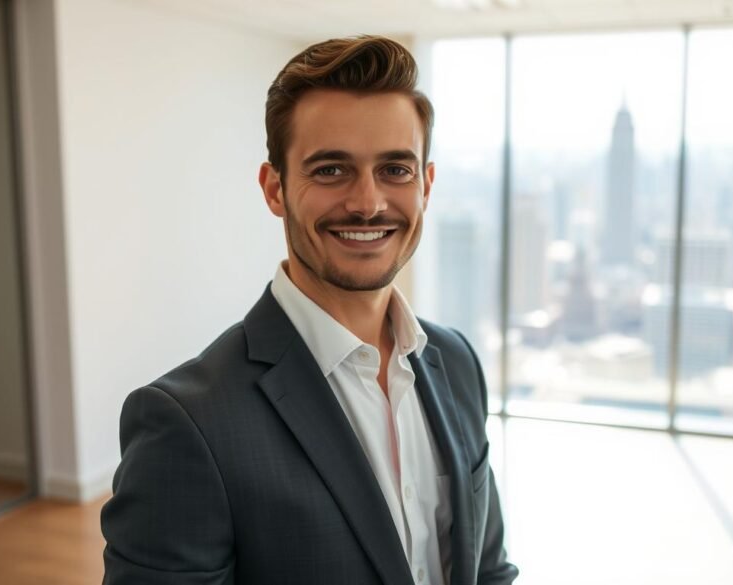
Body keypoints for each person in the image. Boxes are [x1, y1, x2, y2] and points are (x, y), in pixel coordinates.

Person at [100, 35, 518, 585]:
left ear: (427, 184)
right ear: (275, 189)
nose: (368, 203)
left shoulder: (456, 362)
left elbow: (487, 569)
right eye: (330, 170)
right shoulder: (186, 424)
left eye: (396, 169)